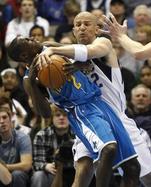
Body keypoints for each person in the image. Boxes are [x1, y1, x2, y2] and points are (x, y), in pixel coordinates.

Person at [7, 12, 140, 187]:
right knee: (107, 150)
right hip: (81, 111)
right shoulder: (30, 79)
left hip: (101, 104)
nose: (33, 38)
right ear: (24, 56)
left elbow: (83, 54)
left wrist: (81, 63)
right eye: (28, 41)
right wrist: (32, 84)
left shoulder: (49, 47)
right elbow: (45, 112)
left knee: (132, 166)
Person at [30, 104, 75, 187]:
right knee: (39, 175)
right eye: (58, 115)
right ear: (52, 118)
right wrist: (45, 166)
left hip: (72, 171)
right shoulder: (42, 135)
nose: (61, 118)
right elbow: (36, 162)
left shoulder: (77, 136)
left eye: (65, 115)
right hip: (51, 172)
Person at [0, 106, 32, 187]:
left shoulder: (22, 137)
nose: (2, 121)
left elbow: (27, 165)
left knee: (17, 174)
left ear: (10, 119)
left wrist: (6, 167)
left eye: (4, 117)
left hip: (19, 175)